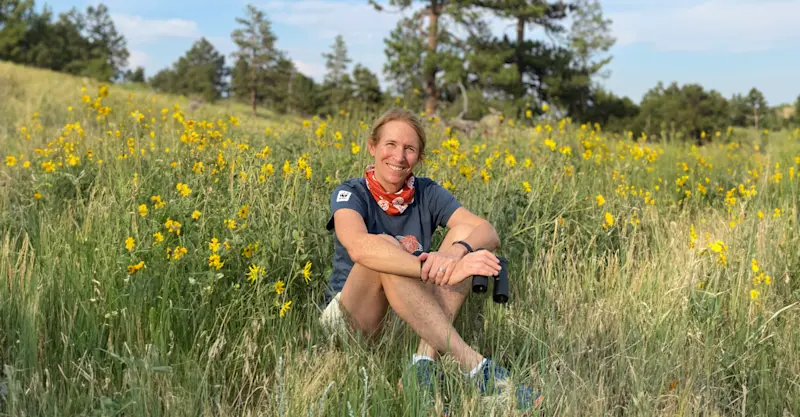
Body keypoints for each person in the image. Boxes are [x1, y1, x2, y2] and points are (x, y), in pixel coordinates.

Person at [319, 107, 541, 412]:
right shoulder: (350, 192)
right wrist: (432, 269)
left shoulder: (427, 192)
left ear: (419, 157)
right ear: (372, 147)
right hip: (353, 318)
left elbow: (487, 231)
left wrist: (455, 254)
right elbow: (358, 247)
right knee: (385, 249)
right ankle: (476, 367)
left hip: (406, 313)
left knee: (465, 236)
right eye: (390, 145)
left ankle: (421, 365)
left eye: (409, 149)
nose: (399, 156)